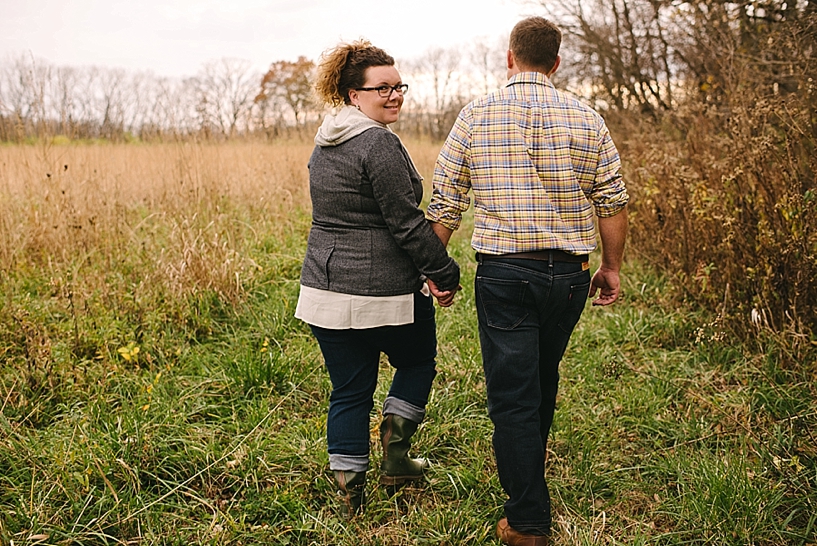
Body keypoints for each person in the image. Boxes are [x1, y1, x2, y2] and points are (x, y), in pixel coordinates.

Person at [426, 17, 629, 546]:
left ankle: (527, 522)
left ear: (510, 57)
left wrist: (433, 269)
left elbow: (446, 203)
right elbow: (611, 201)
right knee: (541, 378)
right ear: (556, 63)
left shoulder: (476, 115)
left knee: (514, 395)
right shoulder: (587, 117)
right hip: (568, 275)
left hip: (506, 274)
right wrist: (611, 266)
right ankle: (528, 490)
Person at [294, 40, 460, 519]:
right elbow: (406, 223)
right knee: (417, 362)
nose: (394, 95)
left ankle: (349, 497)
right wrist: (442, 272)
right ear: (353, 95)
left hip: (324, 290)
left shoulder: (327, 140)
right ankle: (396, 453)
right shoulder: (377, 143)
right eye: (381, 88)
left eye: (398, 86)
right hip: (381, 292)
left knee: (349, 391)